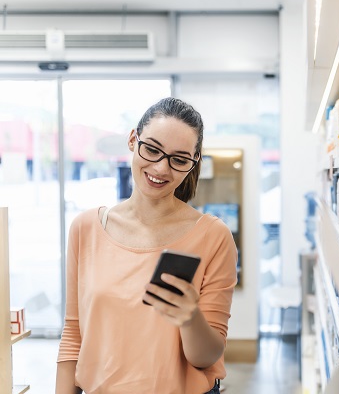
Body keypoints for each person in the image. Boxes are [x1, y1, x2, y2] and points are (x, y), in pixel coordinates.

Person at [55, 97, 238, 394]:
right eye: (151, 149)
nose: (161, 168)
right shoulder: (85, 229)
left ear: (193, 163)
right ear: (132, 139)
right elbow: (74, 335)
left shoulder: (213, 236)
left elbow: (206, 357)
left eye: (179, 159)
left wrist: (190, 318)